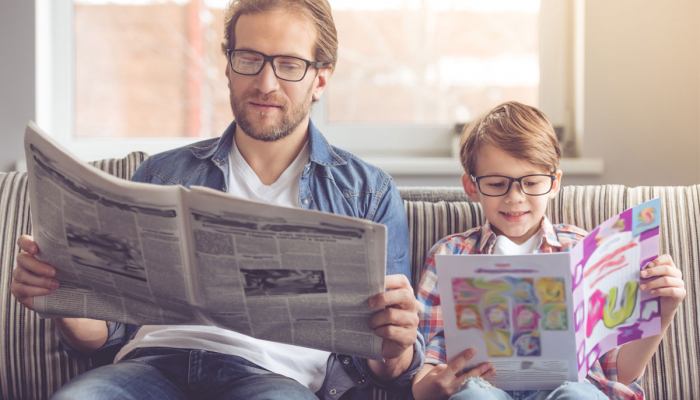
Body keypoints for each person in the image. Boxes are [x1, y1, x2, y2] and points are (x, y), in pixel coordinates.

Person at [10, 1, 423, 399]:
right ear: (227, 65)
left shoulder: (369, 193)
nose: (265, 83)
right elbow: (105, 337)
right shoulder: (161, 175)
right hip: (151, 366)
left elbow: (388, 369)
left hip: (273, 377)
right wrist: (61, 298)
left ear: (320, 78)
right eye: (248, 58)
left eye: (289, 64)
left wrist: (397, 345)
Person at [411, 101, 686, 400]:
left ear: (554, 184)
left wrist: (664, 311)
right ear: (472, 186)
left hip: (568, 388)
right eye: (497, 183)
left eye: (530, 182)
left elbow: (616, 370)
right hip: (482, 387)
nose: (515, 197)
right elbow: (429, 361)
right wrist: (427, 389)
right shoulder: (450, 253)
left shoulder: (583, 250)